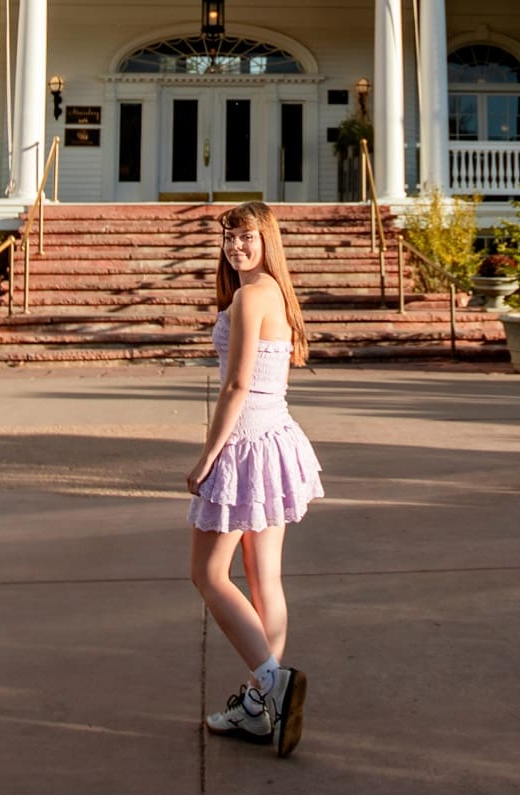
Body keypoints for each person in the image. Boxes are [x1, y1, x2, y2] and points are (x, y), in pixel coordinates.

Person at [186, 199, 324, 758]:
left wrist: (205, 458)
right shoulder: (277, 293)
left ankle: (272, 681)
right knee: (264, 576)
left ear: (267, 239)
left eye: (247, 236)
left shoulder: (249, 297)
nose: (236, 246)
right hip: (275, 438)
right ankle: (259, 708)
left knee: (207, 574)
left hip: (246, 445)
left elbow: (237, 386)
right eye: (229, 237)